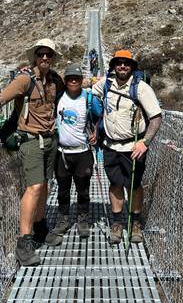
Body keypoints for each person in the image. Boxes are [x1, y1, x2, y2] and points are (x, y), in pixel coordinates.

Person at [0, 38, 64, 266]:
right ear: (35, 56)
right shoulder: (24, 79)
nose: (45, 57)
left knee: (44, 185)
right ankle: (24, 242)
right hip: (31, 141)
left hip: (50, 140)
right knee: (33, 187)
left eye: (49, 54)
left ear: (53, 58)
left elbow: (73, 90)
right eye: (41, 53)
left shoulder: (54, 80)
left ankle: (41, 227)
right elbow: (2, 96)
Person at [92, 49, 162, 244]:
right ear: (114, 65)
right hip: (110, 146)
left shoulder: (141, 88)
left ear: (132, 67)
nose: (122, 66)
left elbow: (156, 118)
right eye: (119, 62)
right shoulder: (106, 84)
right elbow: (86, 90)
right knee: (115, 184)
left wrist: (145, 142)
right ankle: (117, 223)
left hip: (133, 147)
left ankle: (135, 223)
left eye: (127, 63)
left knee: (134, 185)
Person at [45, 63, 102, 246]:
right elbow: (46, 77)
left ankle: (82, 218)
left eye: (76, 78)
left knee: (83, 189)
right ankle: (63, 219)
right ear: (66, 80)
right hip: (62, 153)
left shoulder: (88, 98)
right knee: (62, 189)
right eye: (70, 78)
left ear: (81, 80)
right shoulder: (59, 96)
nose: (73, 81)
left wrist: (97, 133)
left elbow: (100, 116)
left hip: (83, 152)